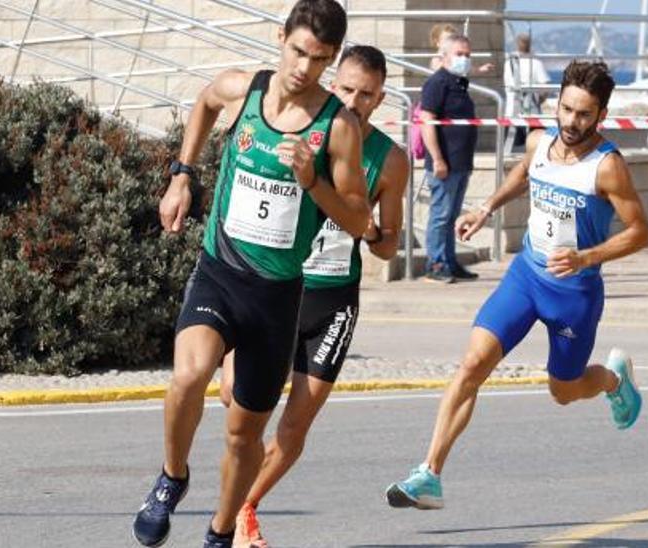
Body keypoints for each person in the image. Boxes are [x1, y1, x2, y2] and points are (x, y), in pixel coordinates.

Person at [131, 2, 369, 546]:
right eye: (299, 52)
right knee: (189, 377)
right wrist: (182, 176)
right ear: (280, 38)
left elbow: (358, 219)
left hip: (276, 298)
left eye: (321, 60)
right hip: (220, 272)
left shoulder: (338, 128)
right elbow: (204, 103)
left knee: (244, 436)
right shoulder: (244, 89)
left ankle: (219, 533)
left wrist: (312, 181)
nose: (305, 69)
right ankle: (172, 477)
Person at [385, 60, 648, 510]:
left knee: (563, 391)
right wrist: (486, 208)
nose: (571, 122)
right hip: (526, 276)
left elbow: (641, 231)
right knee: (472, 364)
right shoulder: (540, 141)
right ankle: (428, 474)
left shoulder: (607, 168)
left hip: (575, 293)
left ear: (601, 115)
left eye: (584, 114)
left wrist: (586, 256)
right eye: (566, 109)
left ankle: (612, 380)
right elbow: (524, 173)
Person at [214, 44, 409, 547]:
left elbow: (389, 247)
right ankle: (233, 506)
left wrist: (369, 233)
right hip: (272, 288)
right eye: (345, 89)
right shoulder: (298, 126)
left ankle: (243, 512)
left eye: (366, 94)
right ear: (331, 82)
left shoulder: (390, 161)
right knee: (236, 400)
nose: (354, 100)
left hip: (332, 300)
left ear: (380, 97)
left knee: (294, 429)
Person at [419, 33, 480, 282]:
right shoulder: (438, 83)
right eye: (459, 54)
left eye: (467, 55)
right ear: (444, 56)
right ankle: (435, 264)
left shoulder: (459, 82)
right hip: (445, 164)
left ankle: (449, 262)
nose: (464, 59)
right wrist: (438, 159)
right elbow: (427, 122)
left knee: (451, 216)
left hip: (461, 162)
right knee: (441, 215)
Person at [504, 32, 551, 149]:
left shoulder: (508, 62)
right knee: (535, 144)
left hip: (512, 110)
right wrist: (540, 100)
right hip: (532, 110)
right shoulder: (535, 62)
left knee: (512, 146)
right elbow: (545, 87)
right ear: (530, 44)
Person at [428, 23, 494, 74]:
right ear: (437, 42)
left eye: (453, 40)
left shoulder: (453, 56)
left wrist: (479, 69)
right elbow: (439, 70)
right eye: (447, 40)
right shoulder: (438, 57)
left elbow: (464, 67)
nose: (451, 43)